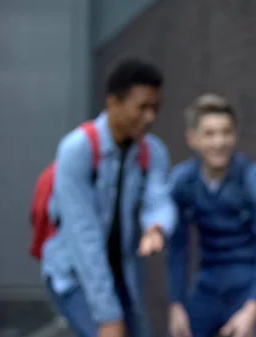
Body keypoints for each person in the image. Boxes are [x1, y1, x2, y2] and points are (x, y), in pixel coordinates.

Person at [41, 58, 177, 337]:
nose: (150, 117)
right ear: (114, 102)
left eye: (155, 108)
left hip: (123, 272)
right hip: (76, 274)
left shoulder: (152, 151)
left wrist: (156, 227)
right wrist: (108, 316)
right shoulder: (76, 150)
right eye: (142, 107)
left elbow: (158, 198)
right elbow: (84, 238)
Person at [166, 94, 256, 337]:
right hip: (208, 282)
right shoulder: (183, 181)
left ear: (235, 135)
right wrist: (176, 304)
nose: (219, 141)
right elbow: (177, 247)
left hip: (252, 283)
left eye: (226, 132)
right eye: (209, 133)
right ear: (193, 138)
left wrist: (252, 310)